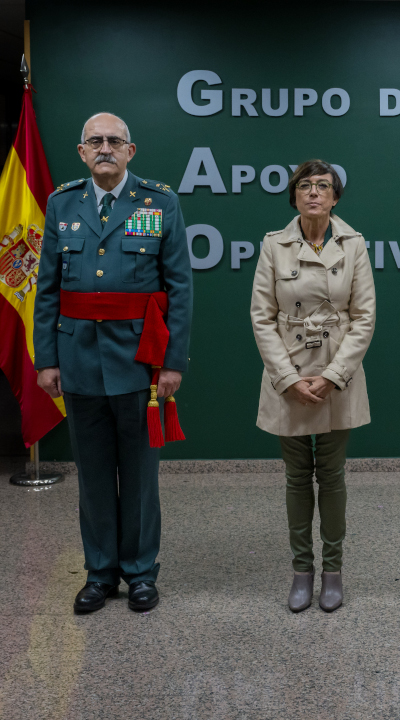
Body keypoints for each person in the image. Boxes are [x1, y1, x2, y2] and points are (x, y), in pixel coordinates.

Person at [34, 112, 193, 614]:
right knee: (94, 473)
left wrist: (172, 362)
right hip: (78, 356)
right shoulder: (62, 204)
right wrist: (47, 359)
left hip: (139, 361)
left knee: (141, 474)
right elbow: (48, 290)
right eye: (95, 141)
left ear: (131, 151)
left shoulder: (158, 202)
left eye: (114, 141)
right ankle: (100, 572)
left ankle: (141, 572)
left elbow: (180, 288)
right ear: (82, 152)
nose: (105, 148)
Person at [249, 160, 376, 613]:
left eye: (323, 186)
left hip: (336, 376)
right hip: (289, 376)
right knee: (298, 477)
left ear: (335, 197)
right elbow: (261, 317)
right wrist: (287, 379)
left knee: (334, 476)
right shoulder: (273, 246)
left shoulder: (354, 244)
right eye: (305, 186)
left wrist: (332, 376)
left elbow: (363, 318)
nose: (314, 193)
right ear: (295, 197)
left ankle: (334, 570)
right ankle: (302, 570)